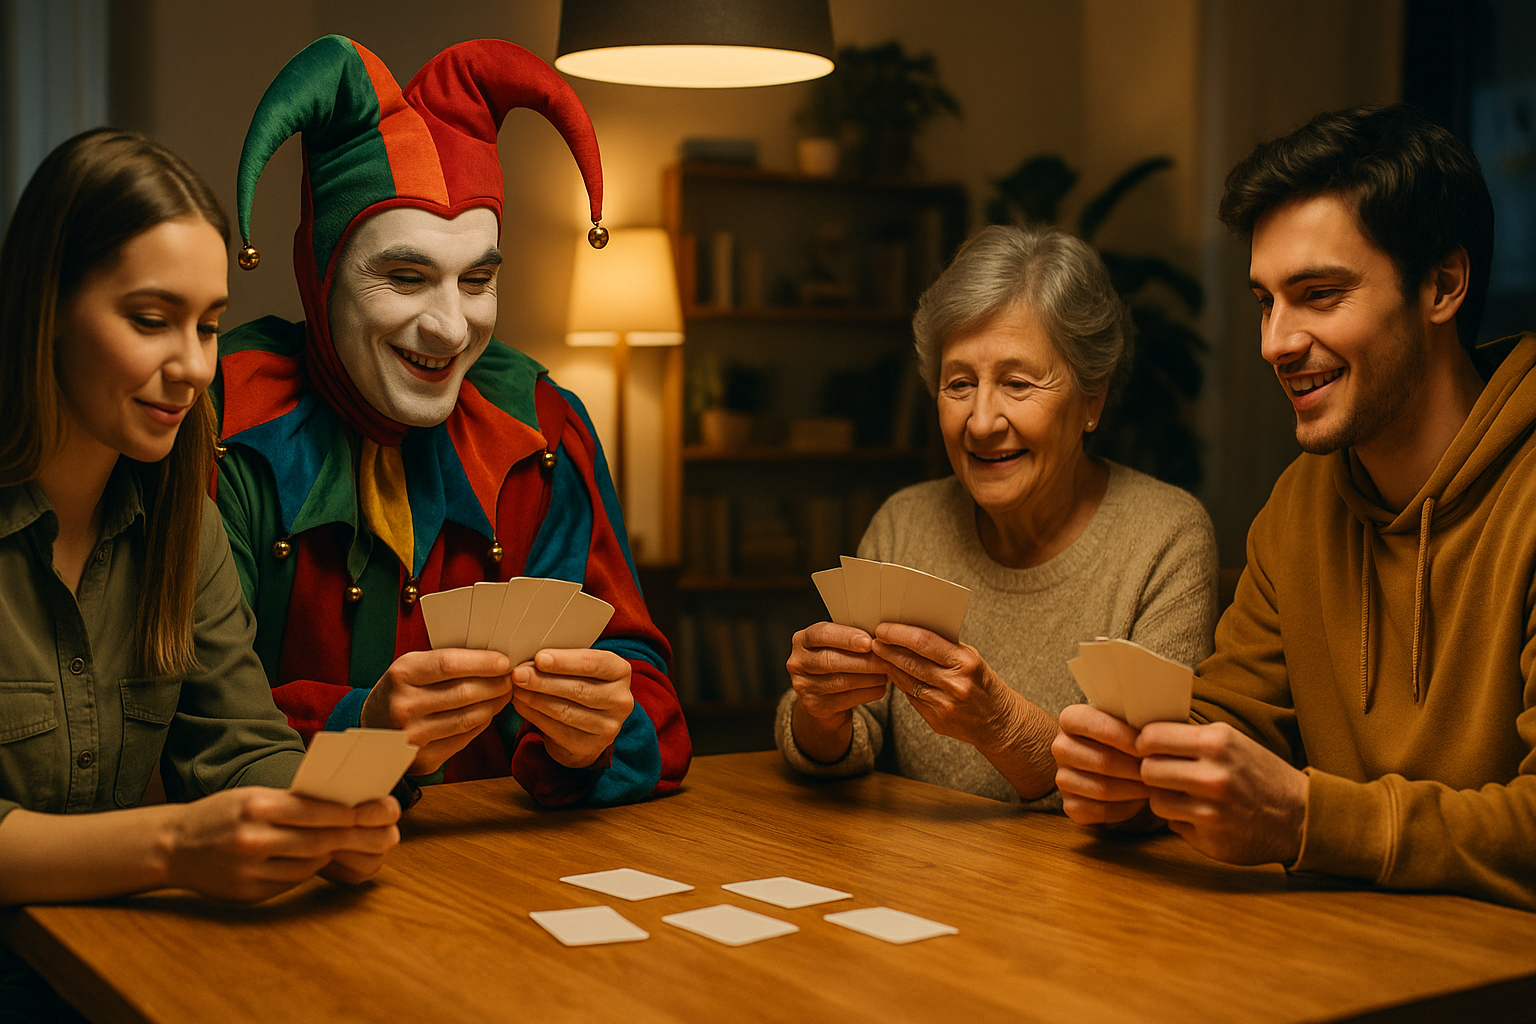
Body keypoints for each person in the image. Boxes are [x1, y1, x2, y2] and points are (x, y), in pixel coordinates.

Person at [1051, 104, 1536, 909]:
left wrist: (1309, 820)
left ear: (1443, 286)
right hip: (1334, 951)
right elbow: (1232, 719)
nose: (1275, 341)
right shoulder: (1300, 503)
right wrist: (1138, 779)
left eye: (1318, 294)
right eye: (1266, 301)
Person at [216, 36, 689, 808]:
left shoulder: (542, 430)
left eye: (476, 280)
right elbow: (184, 726)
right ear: (321, 274)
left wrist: (597, 732)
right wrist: (361, 728)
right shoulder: (226, 426)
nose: (449, 327)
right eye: (405, 277)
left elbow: (652, 709)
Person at [0, 129, 401, 1017]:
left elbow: (240, 746)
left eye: (209, 325)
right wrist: (177, 846)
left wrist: (320, 819)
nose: (192, 367)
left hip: (120, 981)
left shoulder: (186, 526)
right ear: (47, 308)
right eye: (151, 320)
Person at [778, 225, 1217, 804]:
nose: (982, 422)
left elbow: (1145, 789)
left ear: (1092, 398)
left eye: (1017, 383)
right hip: (911, 859)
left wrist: (1001, 725)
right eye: (959, 384)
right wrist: (820, 710)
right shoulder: (905, 522)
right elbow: (845, 736)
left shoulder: (1164, 537)